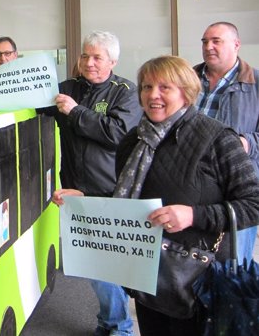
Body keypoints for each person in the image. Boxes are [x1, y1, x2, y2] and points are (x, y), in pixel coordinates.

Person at [55, 56, 259, 335]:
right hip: (148, 277)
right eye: (147, 87)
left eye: (165, 87)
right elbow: (130, 196)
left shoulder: (218, 139)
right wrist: (86, 196)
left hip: (198, 283)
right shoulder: (133, 141)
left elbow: (253, 204)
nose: (153, 95)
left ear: (186, 92)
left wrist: (193, 215)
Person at [42, 31, 140, 336]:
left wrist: (74, 111)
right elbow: (30, 103)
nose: (89, 62)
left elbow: (117, 133)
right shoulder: (69, 88)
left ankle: (119, 327)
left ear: (112, 61)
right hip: (75, 189)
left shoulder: (125, 91)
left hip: (109, 191)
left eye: (97, 57)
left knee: (102, 266)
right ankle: (110, 322)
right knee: (95, 264)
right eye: (85, 55)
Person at [193, 21, 259, 265]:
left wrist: (246, 143)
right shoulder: (187, 79)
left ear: (236, 45)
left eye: (216, 41)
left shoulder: (256, 84)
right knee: (187, 261)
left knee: (232, 262)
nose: (208, 47)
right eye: (204, 42)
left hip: (236, 188)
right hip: (191, 183)